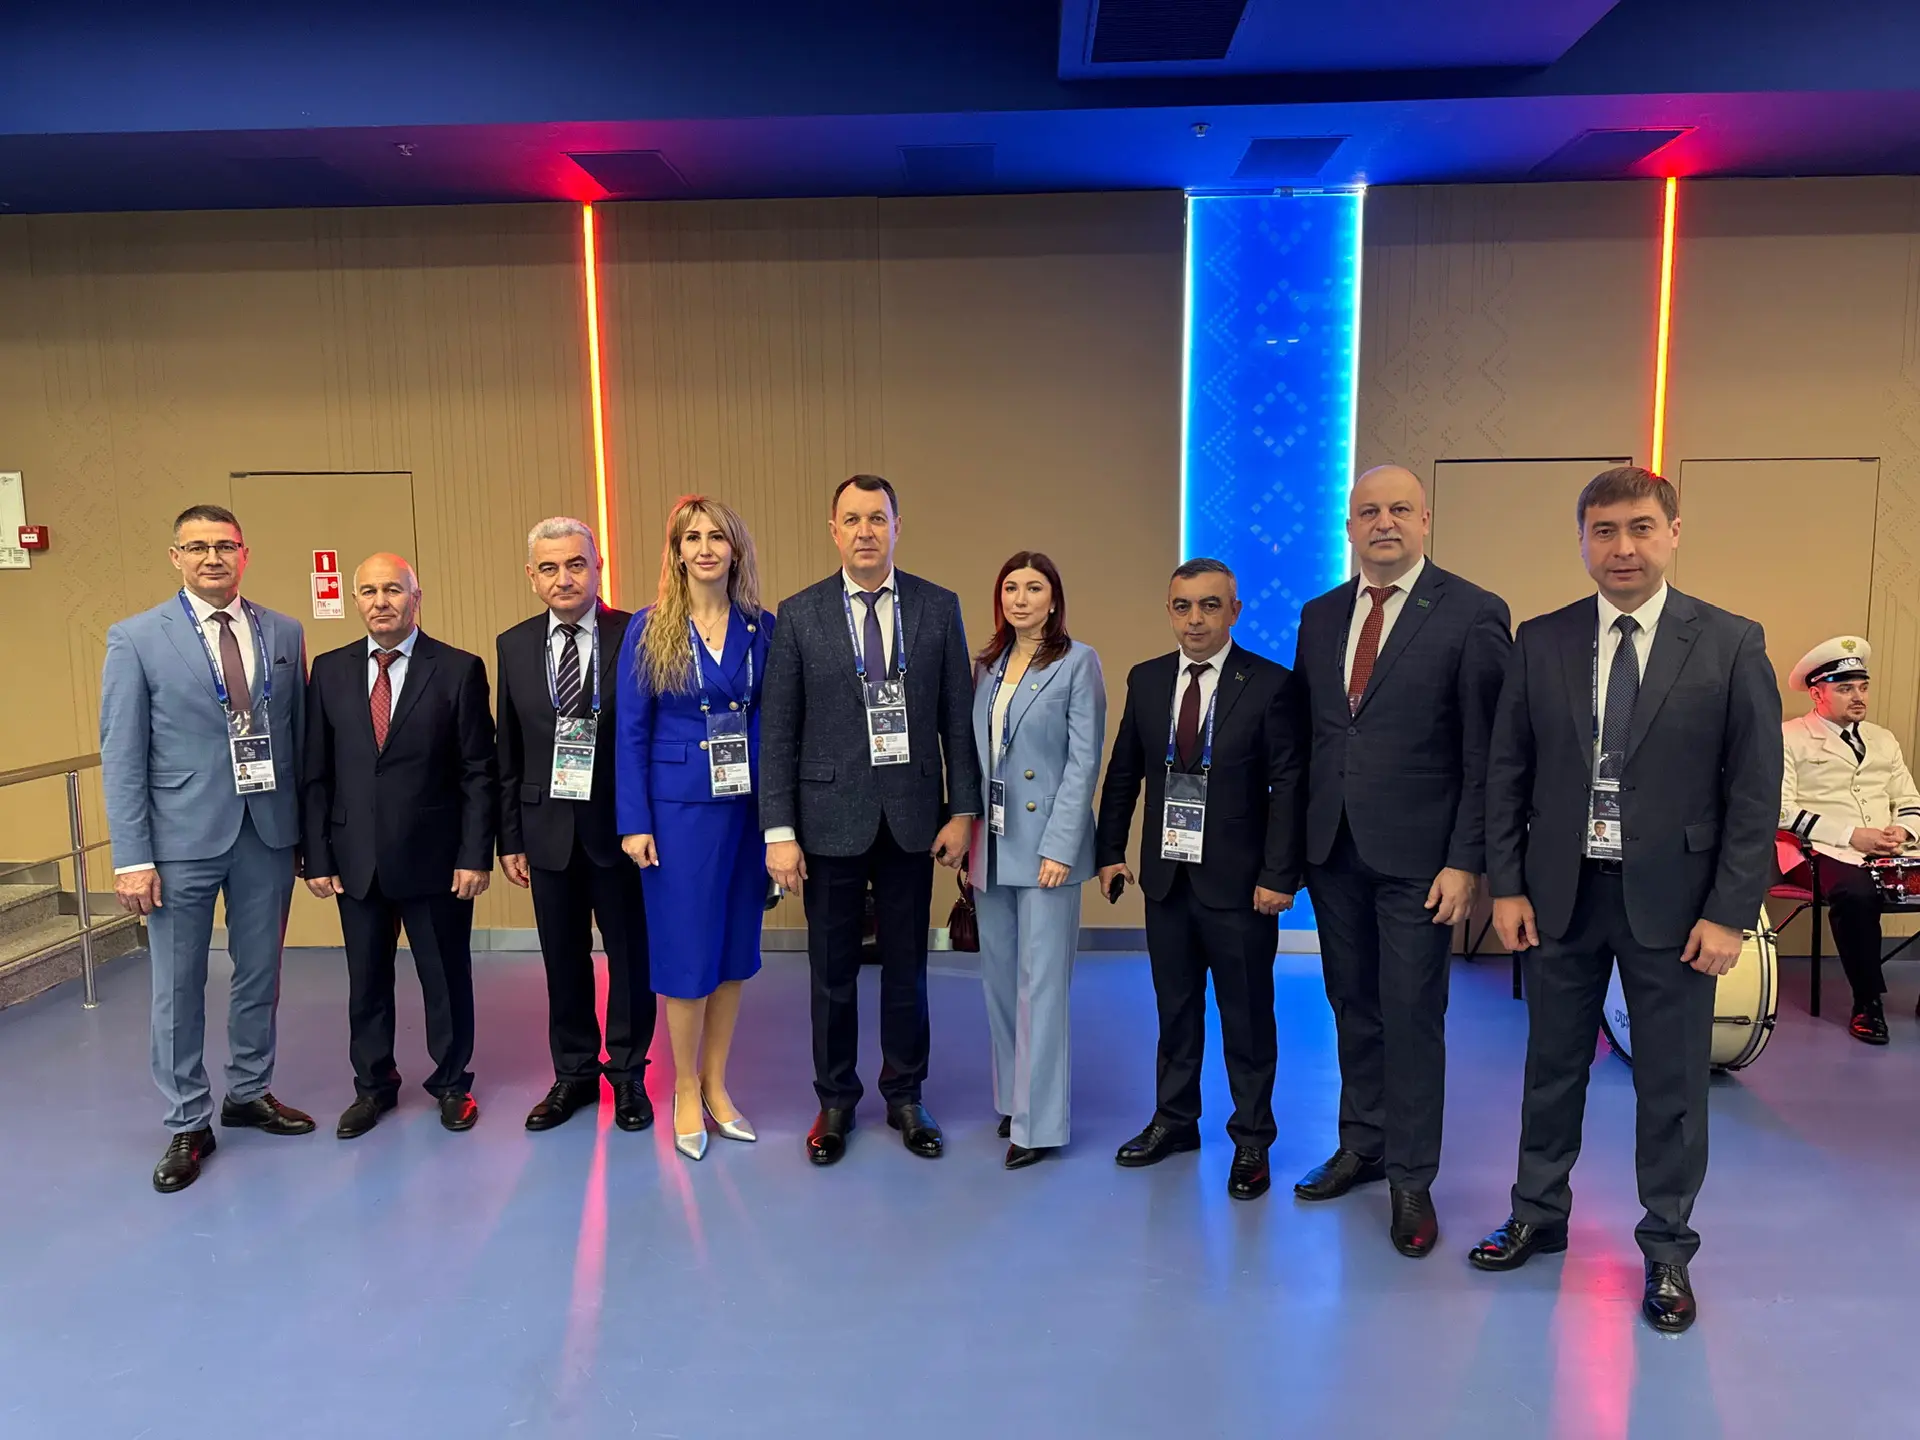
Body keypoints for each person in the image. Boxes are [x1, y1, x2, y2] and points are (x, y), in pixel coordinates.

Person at [1473, 466, 1781, 1335]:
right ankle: (1537, 1212)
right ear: (1582, 541)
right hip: (1560, 895)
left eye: (1641, 527)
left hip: (1678, 907)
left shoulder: (1730, 642)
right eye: (1603, 530)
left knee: (1673, 1083)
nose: (1623, 547)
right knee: (1551, 1067)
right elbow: (1508, 771)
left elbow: (1754, 791)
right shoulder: (1543, 639)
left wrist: (1730, 910)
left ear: (1673, 533)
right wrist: (1508, 885)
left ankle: (1669, 1248)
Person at [1288, 466, 1511, 1257]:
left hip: (1424, 861)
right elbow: (1314, 736)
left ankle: (1413, 1178)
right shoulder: (1319, 615)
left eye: (1399, 510)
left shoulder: (1473, 612)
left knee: (1413, 1016)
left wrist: (1466, 861)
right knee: (1352, 1003)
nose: (1383, 523)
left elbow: (1487, 752)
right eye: (1368, 511)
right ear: (1349, 527)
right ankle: (1363, 1143)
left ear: (1425, 521)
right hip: (1333, 849)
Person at [760, 474, 979, 1166]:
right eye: (851, 519)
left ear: (896, 527)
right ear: (833, 530)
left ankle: (906, 1096)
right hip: (827, 822)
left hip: (913, 819)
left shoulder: (938, 607)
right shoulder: (799, 614)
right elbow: (778, 732)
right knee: (832, 974)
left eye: (877, 519)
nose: (864, 532)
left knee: (908, 968)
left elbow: (957, 721)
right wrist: (779, 832)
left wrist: (963, 811)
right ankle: (835, 1101)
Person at [101, 504, 315, 1193]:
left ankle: (249, 1091)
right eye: (196, 547)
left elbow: (300, 738)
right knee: (178, 984)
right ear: (176, 557)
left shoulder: (284, 631)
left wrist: (306, 836)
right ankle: (188, 1119)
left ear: (245, 554)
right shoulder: (136, 638)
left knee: (260, 973)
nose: (212, 558)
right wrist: (133, 857)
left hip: (267, 832)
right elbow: (122, 755)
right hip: (179, 842)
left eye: (225, 546)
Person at [1095, 558, 1301, 1202]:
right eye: (1183, 606)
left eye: (1211, 605)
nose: (1195, 619)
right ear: (1169, 610)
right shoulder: (1148, 679)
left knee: (1247, 1017)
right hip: (1166, 882)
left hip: (1241, 888)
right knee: (1176, 1010)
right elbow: (1124, 772)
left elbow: (1290, 787)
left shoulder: (1270, 684)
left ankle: (1251, 1139)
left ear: (1234, 611)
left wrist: (1279, 874)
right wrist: (1109, 852)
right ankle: (1175, 1121)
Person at [303, 553, 497, 1138]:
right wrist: (317, 854)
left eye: (393, 589)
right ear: (356, 600)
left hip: (436, 858)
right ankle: (373, 1086)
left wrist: (474, 854)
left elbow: (478, 771)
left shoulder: (458, 669)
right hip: (355, 859)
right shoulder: (329, 671)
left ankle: (452, 1083)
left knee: (445, 978)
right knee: (366, 981)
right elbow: (316, 772)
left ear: (417, 597)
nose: (380, 601)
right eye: (368, 591)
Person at [616, 495, 774, 1161]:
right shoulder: (649, 628)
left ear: (735, 550)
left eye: (717, 536)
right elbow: (630, 730)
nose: (705, 547)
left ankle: (716, 1083)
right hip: (677, 813)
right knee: (686, 954)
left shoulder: (762, 627)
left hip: (746, 812)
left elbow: (775, 724)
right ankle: (683, 1087)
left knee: (734, 950)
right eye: (692, 537)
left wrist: (779, 822)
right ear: (677, 552)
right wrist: (634, 821)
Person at [496, 518, 656, 1133]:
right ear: (531, 576)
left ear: (597, 567)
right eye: (549, 567)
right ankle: (574, 1074)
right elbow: (507, 751)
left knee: (630, 958)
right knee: (562, 960)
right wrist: (510, 838)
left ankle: (629, 1073)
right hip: (546, 831)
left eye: (575, 564)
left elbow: (651, 735)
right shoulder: (513, 645)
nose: (563, 578)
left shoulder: (636, 634)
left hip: (621, 830)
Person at [966, 552, 1105, 1169]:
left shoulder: (1078, 663)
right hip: (993, 842)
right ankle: (1012, 1099)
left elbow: (1084, 760)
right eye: (1010, 588)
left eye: (1034, 588)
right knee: (999, 979)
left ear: (1054, 599)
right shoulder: (987, 666)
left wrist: (1061, 844)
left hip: (1048, 844)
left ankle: (1040, 1123)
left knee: (1041, 986)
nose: (1020, 599)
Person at [1777, 636, 1920, 1044]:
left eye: (1863, 687)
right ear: (1817, 693)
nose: (1858, 697)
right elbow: (1778, 810)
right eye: (1844, 688)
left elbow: (1909, 799)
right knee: (1856, 893)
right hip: (1817, 850)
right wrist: (1852, 836)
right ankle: (1868, 1003)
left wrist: (1903, 830)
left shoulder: (1882, 738)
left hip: (1888, 849)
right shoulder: (1788, 737)